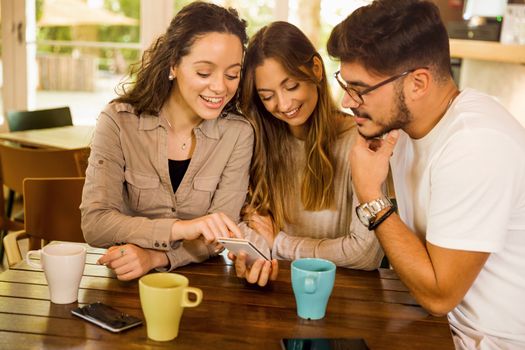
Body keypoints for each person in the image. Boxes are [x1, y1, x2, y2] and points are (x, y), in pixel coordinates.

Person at [326, 0, 525, 349]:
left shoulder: (475, 144)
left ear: (418, 83)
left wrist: (371, 197)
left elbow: (439, 296)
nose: (347, 101)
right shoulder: (403, 130)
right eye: (345, 83)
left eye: (360, 88)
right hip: (442, 328)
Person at [80, 2, 253, 281]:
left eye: (232, 74)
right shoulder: (118, 121)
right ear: (173, 65)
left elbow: (222, 234)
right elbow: (95, 224)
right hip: (122, 281)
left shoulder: (238, 134)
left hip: (197, 284)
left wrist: (156, 257)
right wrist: (180, 229)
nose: (221, 87)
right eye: (204, 73)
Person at [232, 21, 384, 286]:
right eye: (267, 96)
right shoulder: (258, 142)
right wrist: (255, 255)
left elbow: (366, 253)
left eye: (291, 87)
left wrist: (278, 243)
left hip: (346, 298)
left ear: (315, 69)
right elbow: (248, 223)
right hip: (277, 291)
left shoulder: (360, 142)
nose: (284, 104)